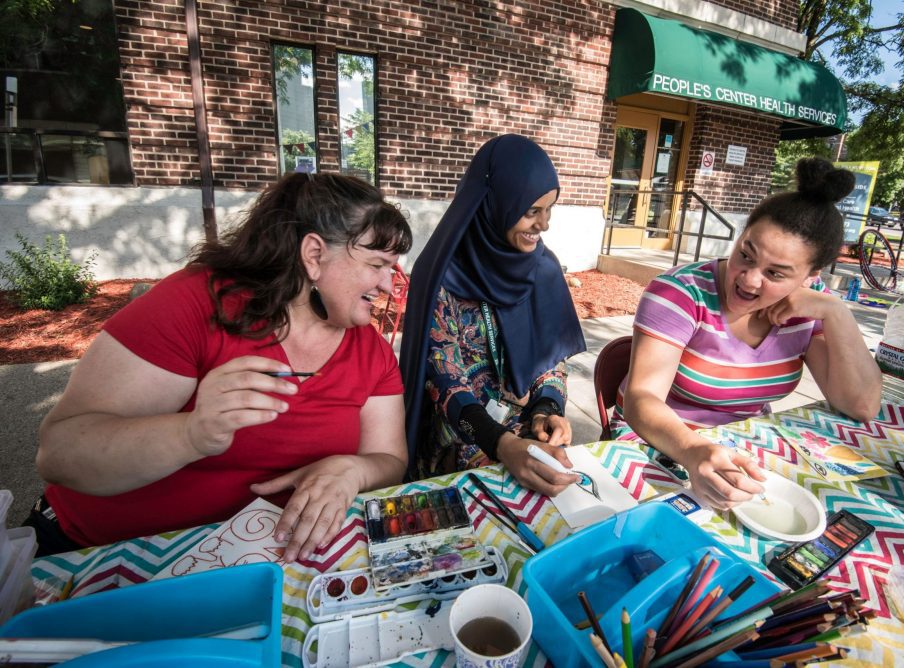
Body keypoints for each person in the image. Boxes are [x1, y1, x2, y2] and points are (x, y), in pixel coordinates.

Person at [30, 173, 412, 562]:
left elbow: (389, 461)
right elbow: (59, 455)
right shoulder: (196, 304)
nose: (387, 285)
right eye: (377, 264)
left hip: (254, 560)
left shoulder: (371, 352)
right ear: (314, 255)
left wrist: (353, 471)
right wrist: (192, 434)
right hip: (107, 557)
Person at [615, 157, 882, 509]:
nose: (749, 279)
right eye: (746, 254)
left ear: (811, 275)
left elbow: (860, 406)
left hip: (747, 446)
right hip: (659, 441)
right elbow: (642, 399)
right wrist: (694, 450)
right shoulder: (680, 292)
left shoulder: (812, 309)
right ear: (741, 235)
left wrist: (837, 313)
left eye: (776, 274)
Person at [400, 134, 587, 495]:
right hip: (459, 439)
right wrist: (501, 444)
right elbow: (443, 382)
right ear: (494, 204)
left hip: (527, 439)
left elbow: (551, 360)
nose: (544, 224)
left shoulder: (543, 269)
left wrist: (545, 411)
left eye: (550, 210)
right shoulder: (440, 275)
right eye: (532, 211)